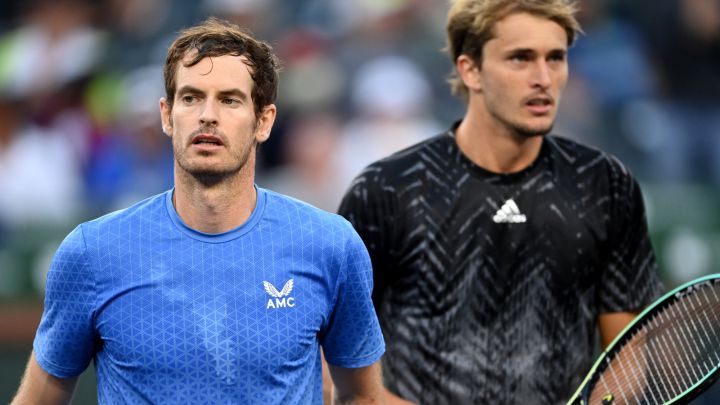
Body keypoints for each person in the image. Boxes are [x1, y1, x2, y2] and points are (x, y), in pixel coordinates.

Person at [12, 18, 385, 404]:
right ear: (166, 114)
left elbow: (363, 398)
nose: (208, 115)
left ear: (264, 121)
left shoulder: (330, 245)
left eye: (229, 99)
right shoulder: (91, 252)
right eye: (190, 98)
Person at [337, 0, 664, 403]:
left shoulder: (606, 184)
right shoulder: (385, 189)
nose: (543, 77)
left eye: (555, 58)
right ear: (469, 69)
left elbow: (627, 350)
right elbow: (342, 368)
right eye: (520, 59)